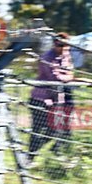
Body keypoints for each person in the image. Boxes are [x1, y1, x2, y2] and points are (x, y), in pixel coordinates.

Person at [27, 33, 74, 163]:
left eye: (66, 46)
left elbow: (70, 72)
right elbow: (55, 78)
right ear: (54, 44)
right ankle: (29, 157)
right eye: (60, 45)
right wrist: (70, 78)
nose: (63, 48)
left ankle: (33, 152)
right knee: (37, 129)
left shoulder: (66, 56)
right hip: (40, 99)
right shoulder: (47, 58)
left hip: (56, 99)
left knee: (54, 130)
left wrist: (69, 76)